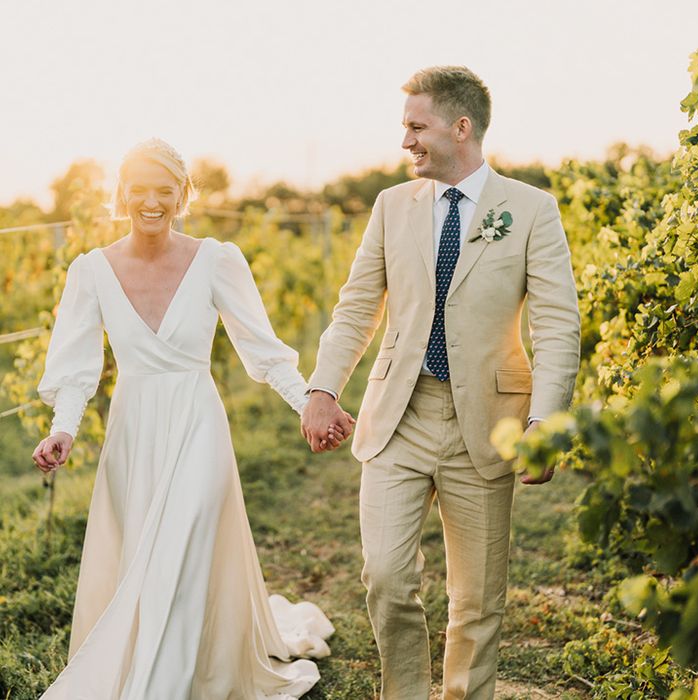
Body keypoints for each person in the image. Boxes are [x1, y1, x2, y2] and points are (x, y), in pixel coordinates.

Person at [301, 66, 580, 699]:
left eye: (416, 126)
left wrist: (545, 421)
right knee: (387, 576)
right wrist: (323, 388)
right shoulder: (390, 206)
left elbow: (558, 326)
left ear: (461, 127)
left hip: (488, 421)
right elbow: (356, 306)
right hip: (399, 413)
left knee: (476, 599)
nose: (405, 142)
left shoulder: (532, 210)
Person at [31, 138, 342, 699]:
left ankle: (162, 688)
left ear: (182, 195)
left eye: (164, 190)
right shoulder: (91, 271)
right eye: (139, 190)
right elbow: (77, 368)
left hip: (198, 422)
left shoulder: (215, 259)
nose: (151, 202)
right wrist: (64, 429)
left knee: (187, 540)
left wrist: (308, 404)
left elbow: (263, 349)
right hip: (132, 429)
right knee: (149, 562)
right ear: (121, 194)